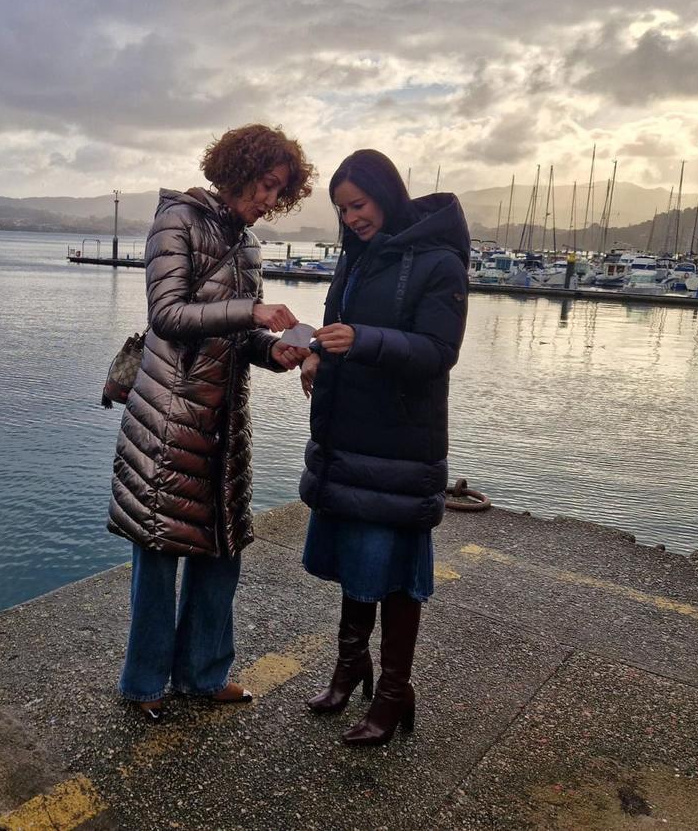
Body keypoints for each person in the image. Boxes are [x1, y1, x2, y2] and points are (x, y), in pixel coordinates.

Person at [108, 123, 314, 721]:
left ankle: (203, 674)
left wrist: (273, 350)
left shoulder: (247, 243)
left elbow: (238, 335)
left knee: (222, 549)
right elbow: (168, 315)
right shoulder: (176, 221)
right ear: (236, 171)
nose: (270, 200)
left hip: (224, 423)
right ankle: (144, 684)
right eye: (265, 185)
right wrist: (252, 310)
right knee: (159, 549)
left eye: (280, 191)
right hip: (170, 419)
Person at [298, 148, 469, 745]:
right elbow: (338, 330)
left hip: (400, 444)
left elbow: (438, 352)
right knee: (356, 562)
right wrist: (317, 355)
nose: (351, 219)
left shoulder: (440, 262)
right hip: (348, 436)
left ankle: (395, 692)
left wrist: (362, 340)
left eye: (359, 205)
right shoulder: (356, 258)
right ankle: (350, 668)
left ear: (387, 194)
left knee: (394, 574)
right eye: (342, 210)